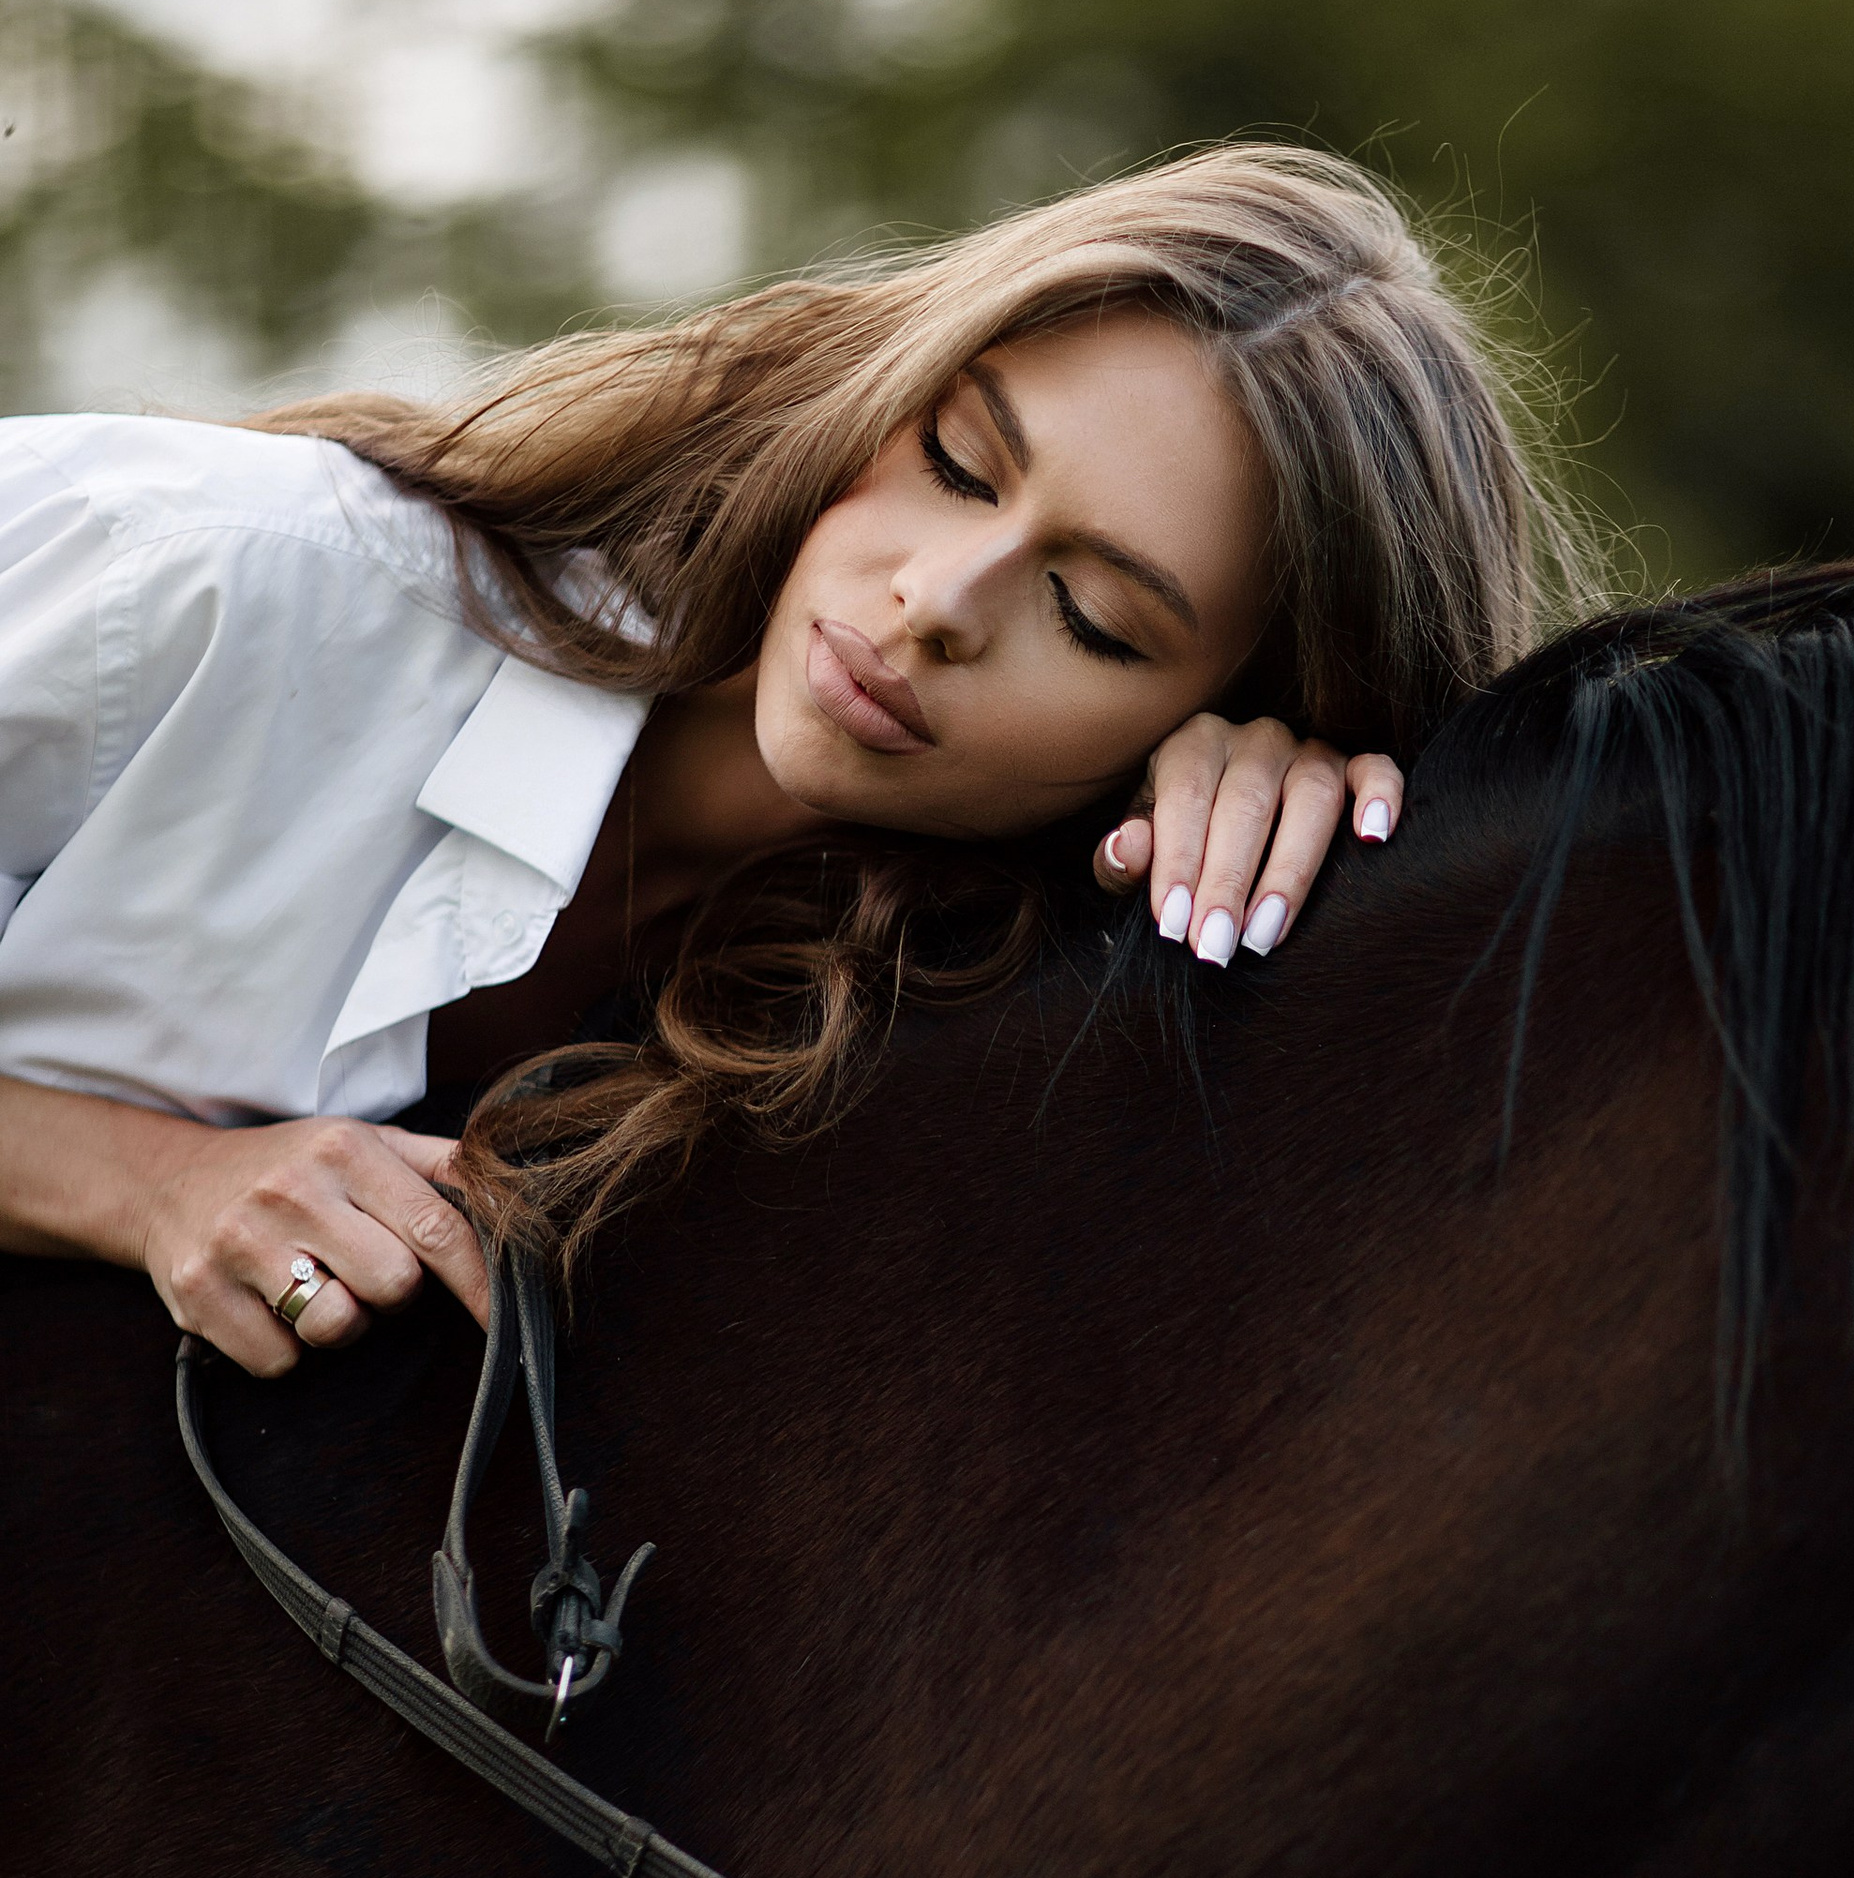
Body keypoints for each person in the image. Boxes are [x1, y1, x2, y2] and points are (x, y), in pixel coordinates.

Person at [0, 145, 1598, 1378]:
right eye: (956, 464)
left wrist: (1293, 885)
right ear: (878, 398)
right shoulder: (215, 577)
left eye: (1095, 622)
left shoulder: (962, 1018)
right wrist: (150, 1184)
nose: (935, 605)